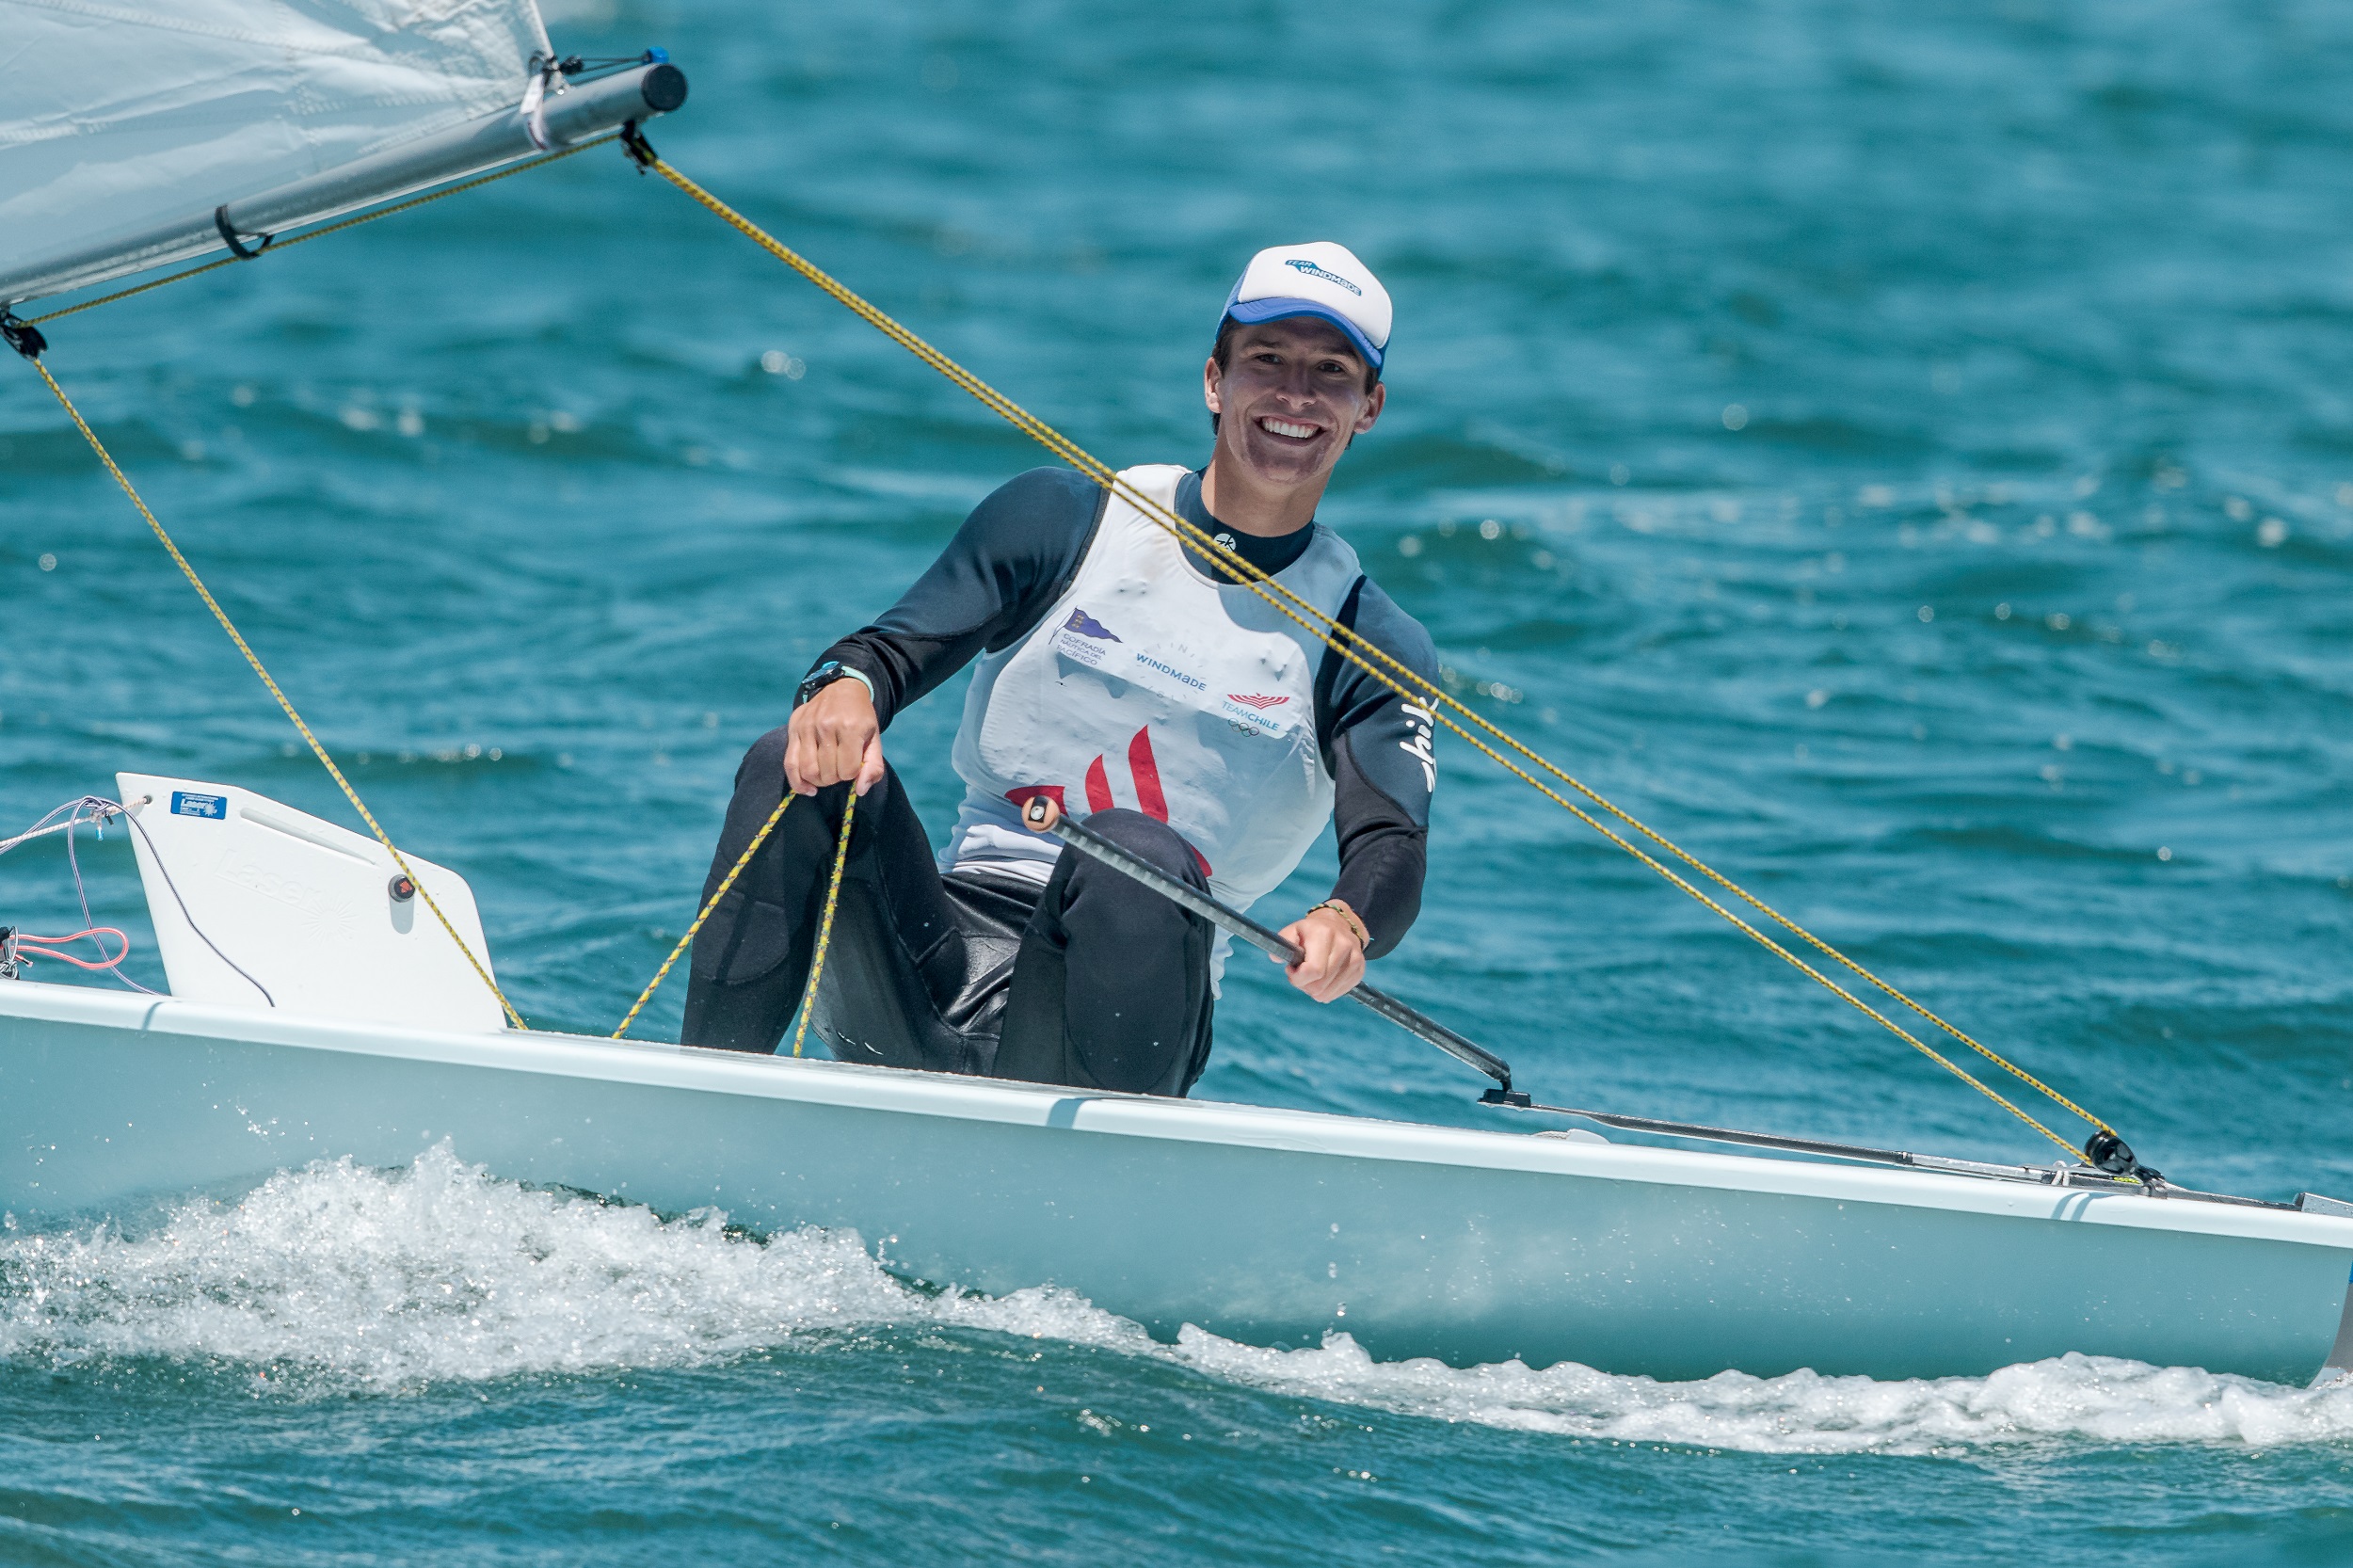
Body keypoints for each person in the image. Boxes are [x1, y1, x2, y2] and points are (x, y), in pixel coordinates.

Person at [680, 241, 1441, 1097]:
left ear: (1368, 407)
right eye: (1267, 359)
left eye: (1331, 372)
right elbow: (881, 653)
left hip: (1127, 1012)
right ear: (1214, 381)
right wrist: (843, 687)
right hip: (930, 960)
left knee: (1135, 849)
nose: (1295, 394)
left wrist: (1348, 921)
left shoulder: (1368, 638)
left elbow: (1392, 846)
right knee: (789, 762)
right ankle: (701, 1104)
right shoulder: (1066, 518)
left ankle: (1092, 1178)